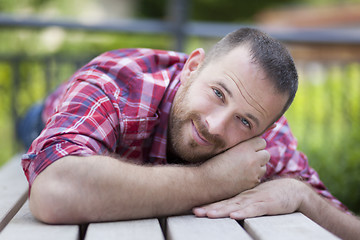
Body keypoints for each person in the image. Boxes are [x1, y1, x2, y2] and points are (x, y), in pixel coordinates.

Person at [20, 28, 359, 239]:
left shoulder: (267, 138)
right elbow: (55, 189)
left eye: (243, 121)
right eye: (218, 94)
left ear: (266, 129)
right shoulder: (121, 82)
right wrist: (213, 180)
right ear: (192, 67)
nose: (214, 125)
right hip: (43, 117)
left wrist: (299, 194)